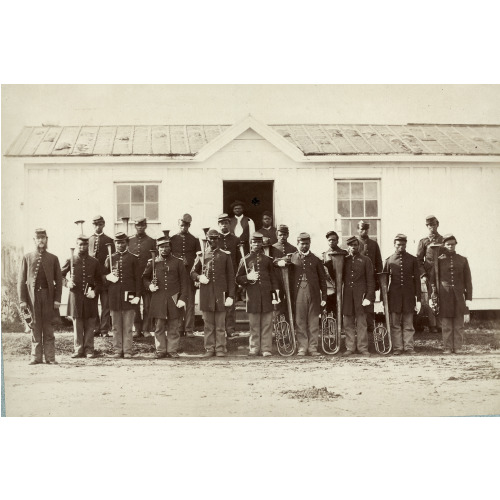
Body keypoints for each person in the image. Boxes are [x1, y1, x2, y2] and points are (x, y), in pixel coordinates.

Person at [18, 228, 62, 365]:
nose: (41, 240)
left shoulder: (53, 258)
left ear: (46, 239)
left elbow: (59, 281)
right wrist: (22, 300)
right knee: (35, 326)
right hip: (32, 298)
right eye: (38, 238)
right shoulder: (27, 257)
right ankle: (35, 357)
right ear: (34, 240)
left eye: (43, 238)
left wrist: (57, 299)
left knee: (48, 327)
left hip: (48, 297)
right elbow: (21, 280)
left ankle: (50, 357)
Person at [143, 233, 189, 358]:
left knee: (174, 327)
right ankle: (160, 350)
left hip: (174, 299)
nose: (164, 249)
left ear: (170, 247)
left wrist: (183, 298)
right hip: (158, 299)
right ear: (158, 248)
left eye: (167, 246)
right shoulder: (153, 262)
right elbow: (145, 278)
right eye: (161, 247)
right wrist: (150, 286)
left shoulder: (178, 263)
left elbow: (185, 283)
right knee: (159, 327)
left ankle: (172, 350)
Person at [191, 229, 235, 357]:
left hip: (220, 294)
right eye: (211, 238)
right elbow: (192, 272)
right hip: (206, 295)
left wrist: (231, 296)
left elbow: (231, 277)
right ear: (207, 239)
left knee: (220, 324)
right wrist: (199, 277)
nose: (213, 241)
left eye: (216, 238)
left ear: (218, 239)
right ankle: (210, 348)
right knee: (208, 325)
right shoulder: (201, 255)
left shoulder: (225, 255)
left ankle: (220, 348)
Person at [236, 232, 280, 357]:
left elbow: (273, 279)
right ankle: (254, 348)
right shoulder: (245, 260)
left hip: (267, 296)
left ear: (262, 244)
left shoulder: (267, 260)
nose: (256, 244)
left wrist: (275, 294)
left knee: (267, 324)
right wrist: (247, 277)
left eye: (259, 242)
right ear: (250, 244)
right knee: (254, 325)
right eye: (254, 242)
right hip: (253, 296)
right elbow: (237, 279)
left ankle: (266, 349)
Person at [430, 234, 472, 354]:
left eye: (452, 244)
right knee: (447, 323)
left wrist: (468, 297)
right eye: (448, 244)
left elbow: (468, 280)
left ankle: (458, 347)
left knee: (458, 323)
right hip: (445, 295)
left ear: (455, 245)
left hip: (459, 295)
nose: (450, 246)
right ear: (444, 245)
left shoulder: (462, 259)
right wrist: (434, 294)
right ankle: (447, 347)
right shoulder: (439, 260)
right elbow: (433, 279)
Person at [61, 235, 102, 358]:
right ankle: (78, 349)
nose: (82, 247)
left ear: (88, 246)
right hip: (76, 297)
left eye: (85, 244)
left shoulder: (94, 261)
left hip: (90, 298)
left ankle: (89, 349)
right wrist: (67, 283)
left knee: (90, 324)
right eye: (80, 244)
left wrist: (95, 291)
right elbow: (59, 276)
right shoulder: (71, 259)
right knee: (77, 323)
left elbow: (99, 280)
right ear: (77, 245)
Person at [288, 232, 327, 356]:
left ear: (310, 244)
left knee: (313, 322)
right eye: (302, 244)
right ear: (297, 244)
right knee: (300, 321)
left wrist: (324, 297)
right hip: (299, 293)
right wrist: (280, 262)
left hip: (314, 294)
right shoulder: (292, 257)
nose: (304, 246)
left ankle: (313, 348)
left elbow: (322, 279)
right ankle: (302, 348)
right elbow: (277, 262)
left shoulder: (315, 259)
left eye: (307, 244)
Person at [382, 234, 421, 355]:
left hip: (409, 297)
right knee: (395, 325)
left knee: (408, 324)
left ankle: (409, 347)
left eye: (403, 244)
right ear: (394, 245)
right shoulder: (389, 260)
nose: (401, 247)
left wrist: (418, 299)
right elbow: (384, 282)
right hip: (394, 297)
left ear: (406, 245)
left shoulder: (412, 259)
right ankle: (397, 348)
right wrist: (383, 302)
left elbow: (417, 281)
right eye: (398, 244)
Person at [104, 232, 141, 359]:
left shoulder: (133, 258)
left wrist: (138, 295)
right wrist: (108, 277)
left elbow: (138, 279)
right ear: (115, 244)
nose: (120, 245)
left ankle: (128, 350)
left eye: (123, 242)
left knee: (128, 326)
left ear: (127, 243)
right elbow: (102, 278)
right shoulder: (110, 258)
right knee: (116, 326)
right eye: (118, 242)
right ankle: (117, 350)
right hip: (114, 297)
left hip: (129, 297)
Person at [342, 236, 375, 357]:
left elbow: (371, 281)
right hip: (347, 296)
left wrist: (369, 297)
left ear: (358, 246)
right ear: (347, 247)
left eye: (355, 245)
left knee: (362, 323)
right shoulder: (344, 260)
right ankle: (350, 347)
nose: (353, 247)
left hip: (360, 296)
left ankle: (362, 348)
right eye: (351, 245)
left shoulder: (366, 260)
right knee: (348, 323)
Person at [170, 214, 201, 338]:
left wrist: (197, 276)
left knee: (190, 303)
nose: (184, 227)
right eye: (182, 225)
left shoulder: (194, 239)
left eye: (186, 225)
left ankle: (189, 329)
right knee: (177, 302)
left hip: (189, 275)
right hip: (176, 276)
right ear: (179, 225)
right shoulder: (172, 239)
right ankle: (179, 328)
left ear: (189, 226)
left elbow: (199, 259)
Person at [128, 217, 156, 338]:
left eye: (142, 225)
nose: (140, 227)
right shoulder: (129, 240)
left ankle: (146, 329)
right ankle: (137, 329)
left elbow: (155, 260)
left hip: (146, 278)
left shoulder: (151, 241)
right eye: (137, 226)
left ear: (145, 226)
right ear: (135, 226)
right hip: (133, 278)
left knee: (147, 305)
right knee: (134, 305)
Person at [417, 215, 444, 333]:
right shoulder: (423, 241)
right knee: (431, 297)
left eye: (433, 224)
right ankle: (432, 324)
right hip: (429, 274)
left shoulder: (444, 240)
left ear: (437, 225)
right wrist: (423, 274)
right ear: (427, 227)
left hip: (443, 274)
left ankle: (441, 324)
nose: (432, 227)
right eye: (429, 225)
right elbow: (418, 260)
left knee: (442, 297)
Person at [89, 215, 115, 337]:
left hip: (105, 278)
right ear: (92, 225)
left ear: (104, 225)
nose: (97, 227)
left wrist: (110, 275)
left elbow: (114, 261)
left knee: (105, 305)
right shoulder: (88, 240)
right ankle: (95, 328)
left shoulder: (109, 241)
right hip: (92, 280)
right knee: (93, 305)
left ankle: (104, 330)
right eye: (95, 224)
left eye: (100, 224)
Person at [357, 220, 382, 336]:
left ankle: (370, 326)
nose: (364, 231)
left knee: (370, 301)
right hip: (358, 279)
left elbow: (378, 262)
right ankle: (359, 326)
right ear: (358, 230)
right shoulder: (354, 243)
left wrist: (378, 279)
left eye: (366, 229)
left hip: (371, 279)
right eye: (361, 229)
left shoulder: (373, 244)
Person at [217, 213, 239, 337]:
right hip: (219, 275)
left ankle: (230, 329)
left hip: (232, 274)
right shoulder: (216, 239)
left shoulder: (235, 239)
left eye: (226, 223)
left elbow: (239, 258)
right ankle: (220, 329)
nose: (224, 225)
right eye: (221, 223)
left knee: (231, 301)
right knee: (219, 302)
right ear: (219, 225)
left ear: (230, 224)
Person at [271, 225, 297, 321]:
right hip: (276, 280)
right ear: (277, 235)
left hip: (289, 280)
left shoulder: (293, 248)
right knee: (276, 302)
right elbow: (270, 263)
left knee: (290, 301)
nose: (282, 237)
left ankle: (290, 323)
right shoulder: (272, 248)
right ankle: (278, 326)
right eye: (280, 234)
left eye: (284, 235)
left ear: (288, 235)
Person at [322, 230, 347, 314]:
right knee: (330, 307)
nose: (331, 241)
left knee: (341, 307)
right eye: (329, 240)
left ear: (337, 241)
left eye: (334, 240)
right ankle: (330, 324)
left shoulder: (344, 253)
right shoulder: (325, 254)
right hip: (330, 287)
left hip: (342, 285)